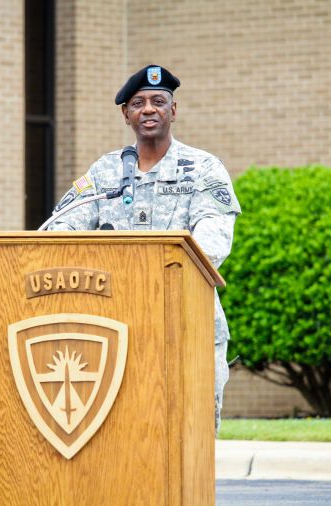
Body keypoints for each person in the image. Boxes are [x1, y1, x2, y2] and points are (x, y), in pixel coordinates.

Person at [47, 64, 241, 430]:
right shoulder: (105, 173)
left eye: (158, 101)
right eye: (138, 103)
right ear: (126, 114)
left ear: (173, 110)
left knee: (190, 434)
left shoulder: (203, 168)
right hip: (113, 328)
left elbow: (213, 242)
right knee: (123, 435)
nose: (148, 109)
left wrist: (147, 269)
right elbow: (60, 228)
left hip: (187, 324)